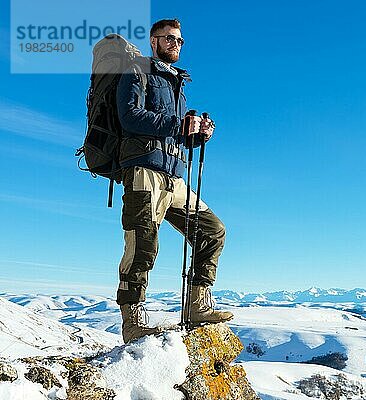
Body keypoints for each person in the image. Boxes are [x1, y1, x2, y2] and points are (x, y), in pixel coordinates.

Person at [115, 18, 233, 344]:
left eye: (180, 40)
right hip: (143, 172)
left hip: (173, 177)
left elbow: (173, 133)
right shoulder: (136, 72)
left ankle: (197, 305)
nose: (176, 44)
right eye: (169, 39)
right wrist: (178, 123)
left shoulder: (176, 84)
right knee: (142, 244)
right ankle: (133, 321)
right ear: (153, 41)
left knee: (212, 230)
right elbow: (130, 117)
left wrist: (196, 135)